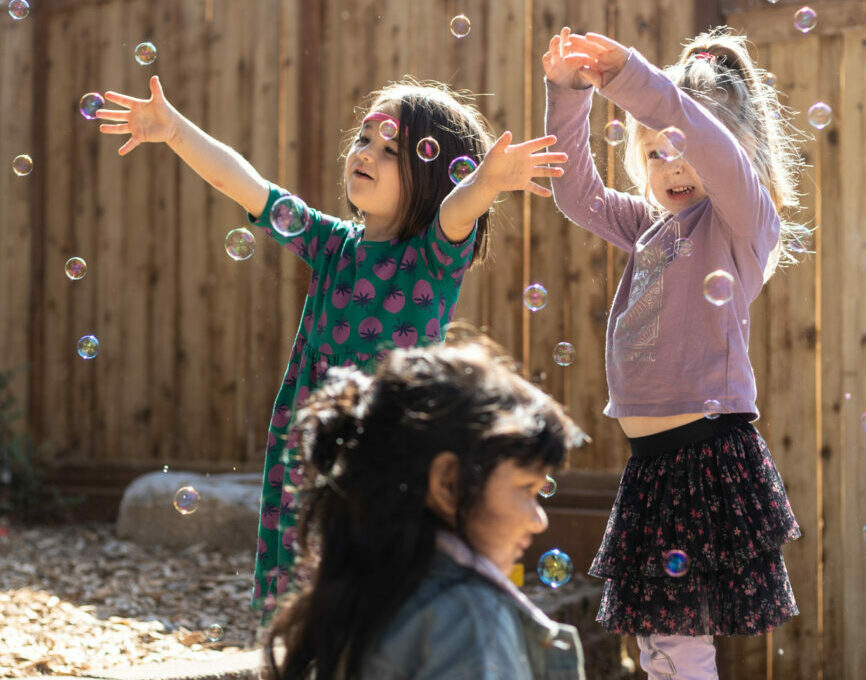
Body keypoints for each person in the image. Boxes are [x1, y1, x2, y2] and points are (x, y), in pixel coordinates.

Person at [96, 75, 567, 620]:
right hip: (305, 443)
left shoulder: (432, 257)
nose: (365, 153)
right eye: (364, 138)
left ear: (435, 178)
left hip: (382, 454)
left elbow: (460, 209)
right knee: (298, 595)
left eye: (391, 150)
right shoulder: (332, 245)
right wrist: (175, 130)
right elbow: (246, 185)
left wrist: (487, 182)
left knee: (364, 595)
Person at [542, 26, 807, 679]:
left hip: (705, 457)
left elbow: (710, 147)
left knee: (679, 641)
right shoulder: (649, 228)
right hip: (655, 465)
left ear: (735, 154)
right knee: (659, 644)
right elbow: (577, 193)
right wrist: (569, 93)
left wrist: (635, 80)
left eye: (684, 150)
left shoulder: (742, 223)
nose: (674, 167)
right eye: (656, 153)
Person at [263, 336, 588, 680]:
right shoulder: (466, 619)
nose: (539, 521)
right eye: (526, 489)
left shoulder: (372, 589)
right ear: (448, 483)